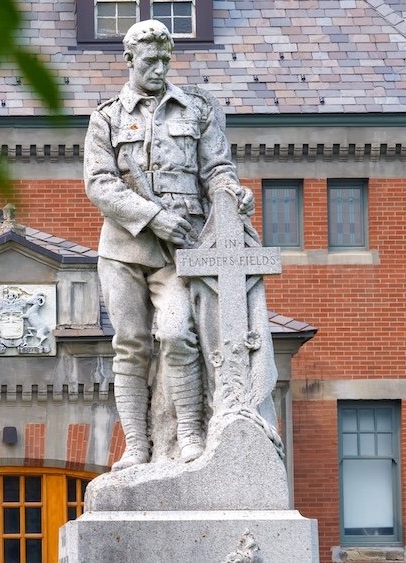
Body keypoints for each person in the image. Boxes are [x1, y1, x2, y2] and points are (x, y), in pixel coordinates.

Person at [84, 20, 254, 470]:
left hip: (184, 249)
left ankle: (190, 434)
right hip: (124, 249)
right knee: (131, 344)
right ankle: (137, 446)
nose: (159, 68)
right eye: (149, 60)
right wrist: (154, 217)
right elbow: (99, 183)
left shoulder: (195, 109)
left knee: (179, 333)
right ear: (130, 60)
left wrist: (232, 190)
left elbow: (217, 167)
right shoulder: (107, 117)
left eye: (165, 59)